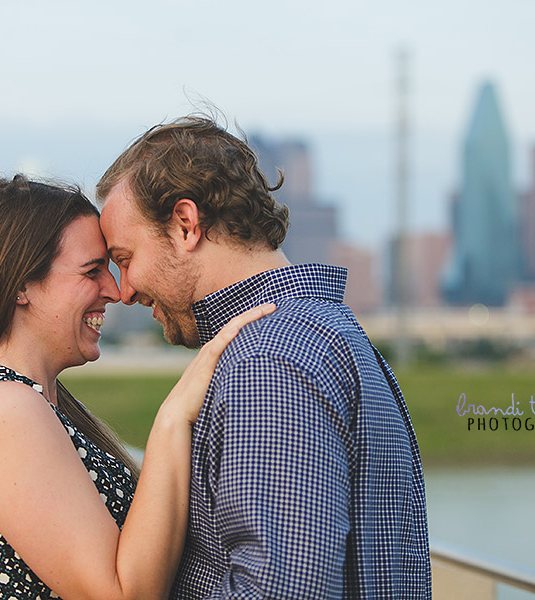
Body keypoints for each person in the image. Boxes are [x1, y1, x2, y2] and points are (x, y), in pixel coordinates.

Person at [96, 116, 432, 599]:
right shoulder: (323, 331)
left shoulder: (268, 363)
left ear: (186, 225)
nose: (124, 291)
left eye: (124, 259)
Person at [0, 174, 274, 600]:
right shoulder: (4, 412)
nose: (115, 290)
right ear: (21, 284)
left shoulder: (32, 401)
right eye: (92, 270)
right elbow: (120, 595)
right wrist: (173, 419)